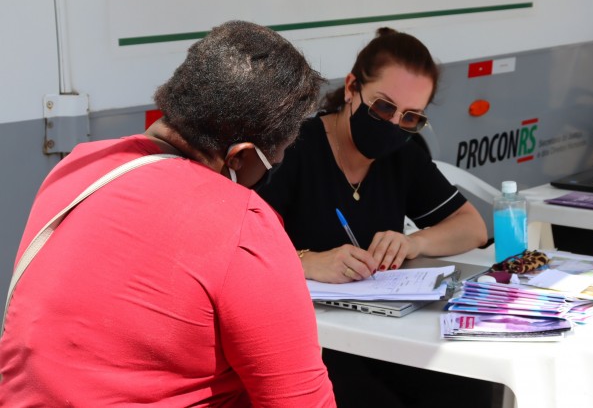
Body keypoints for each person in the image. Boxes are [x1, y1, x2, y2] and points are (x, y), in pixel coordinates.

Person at [0, 21, 335, 406]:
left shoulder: (77, 170)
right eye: (273, 159)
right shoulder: (242, 222)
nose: (272, 170)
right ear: (240, 156)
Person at [259, 28, 491, 407]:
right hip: (311, 339)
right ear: (352, 87)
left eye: (410, 117)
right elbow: (243, 245)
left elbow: (472, 227)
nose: (393, 124)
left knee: (468, 386)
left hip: (386, 331)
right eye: (383, 107)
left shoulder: (403, 153)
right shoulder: (297, 147)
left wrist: (413, 241)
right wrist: (308, 261)